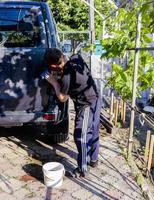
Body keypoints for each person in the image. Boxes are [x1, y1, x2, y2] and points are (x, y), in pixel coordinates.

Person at [43, 48, 101, 177]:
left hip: (86, 104)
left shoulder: (67, 77)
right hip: (95, 96)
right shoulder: (76, 57)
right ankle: (93, 159)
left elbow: (63, 98)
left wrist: (53, 82)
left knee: (81, 135)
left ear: (53, 65)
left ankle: (82, 169)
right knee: (94, 130)